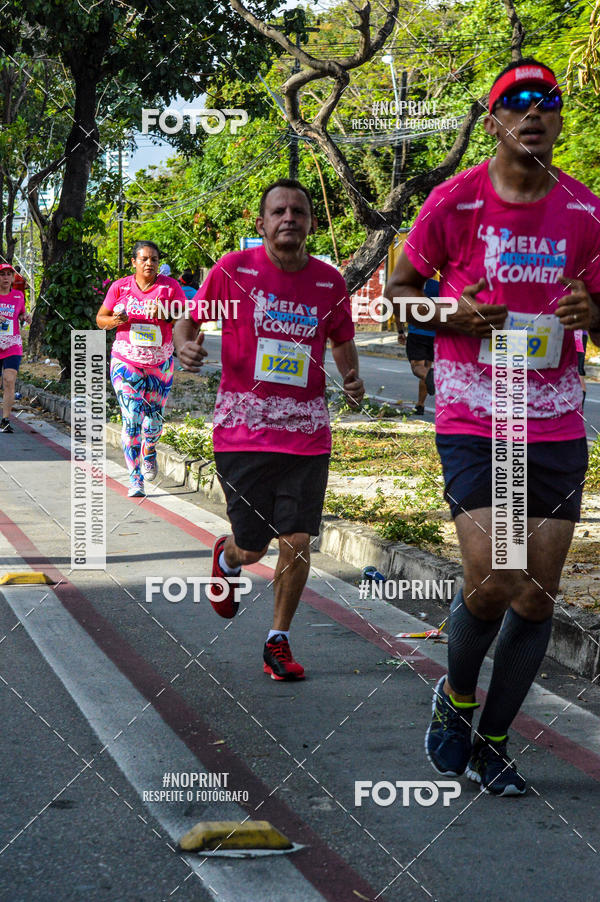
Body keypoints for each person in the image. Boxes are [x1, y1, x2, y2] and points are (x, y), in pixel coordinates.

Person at [385, 58, 600, 795]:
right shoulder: (454, 202)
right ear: (494, 119)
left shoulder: (586, 211)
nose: (533, 112)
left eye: (548, 102)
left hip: (555, 419)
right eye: (517, 102)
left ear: (560, 120)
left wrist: (591, 315)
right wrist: (452, 313)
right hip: (476, 411)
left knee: (537, 593)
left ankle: (495, 741)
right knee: (497, 575)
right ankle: (458, 697)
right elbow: (399, 296)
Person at [174, 178, 364, 681]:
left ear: (310, 223)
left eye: (297, 211)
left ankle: (277, 639)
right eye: (278, 211)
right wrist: (183, 348)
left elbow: (341, 338)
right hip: (243, 431)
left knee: (298, 540)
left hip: (306, 433)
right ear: (261, 224)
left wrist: (350, 376)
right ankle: (230, 555)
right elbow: (189, 324)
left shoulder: (329, 282)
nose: (288, 218)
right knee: (255, 546)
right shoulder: (232, 272)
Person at [96, 241, 187, 496]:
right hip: (126, 361)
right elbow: (100, 319)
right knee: (132, 417)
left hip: (160, 362)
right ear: (134, 262)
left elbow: (183, 317)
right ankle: (135, 478)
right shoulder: (120, 287)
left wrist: (164, 310)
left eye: (154, 259)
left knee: (153, 422)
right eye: (144, 259)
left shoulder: (170, 287)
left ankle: (149, 450)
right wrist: (115, 320)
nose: (149, 263)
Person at [395, 277, 437, 414]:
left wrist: (401, 331)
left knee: (417, 368)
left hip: (417, 334)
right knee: (426, 370)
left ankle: (435, 377)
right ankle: (420, 405)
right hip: (434, 336)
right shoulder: (438, 287)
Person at [0, 263, 31, 433]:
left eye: (8, 274)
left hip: (12, 343)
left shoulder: (18, 296)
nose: (5, 277)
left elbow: (21, 313)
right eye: (2, 274)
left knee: (9, 380)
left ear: (13, 278)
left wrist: (26, 316)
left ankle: (5, 420)